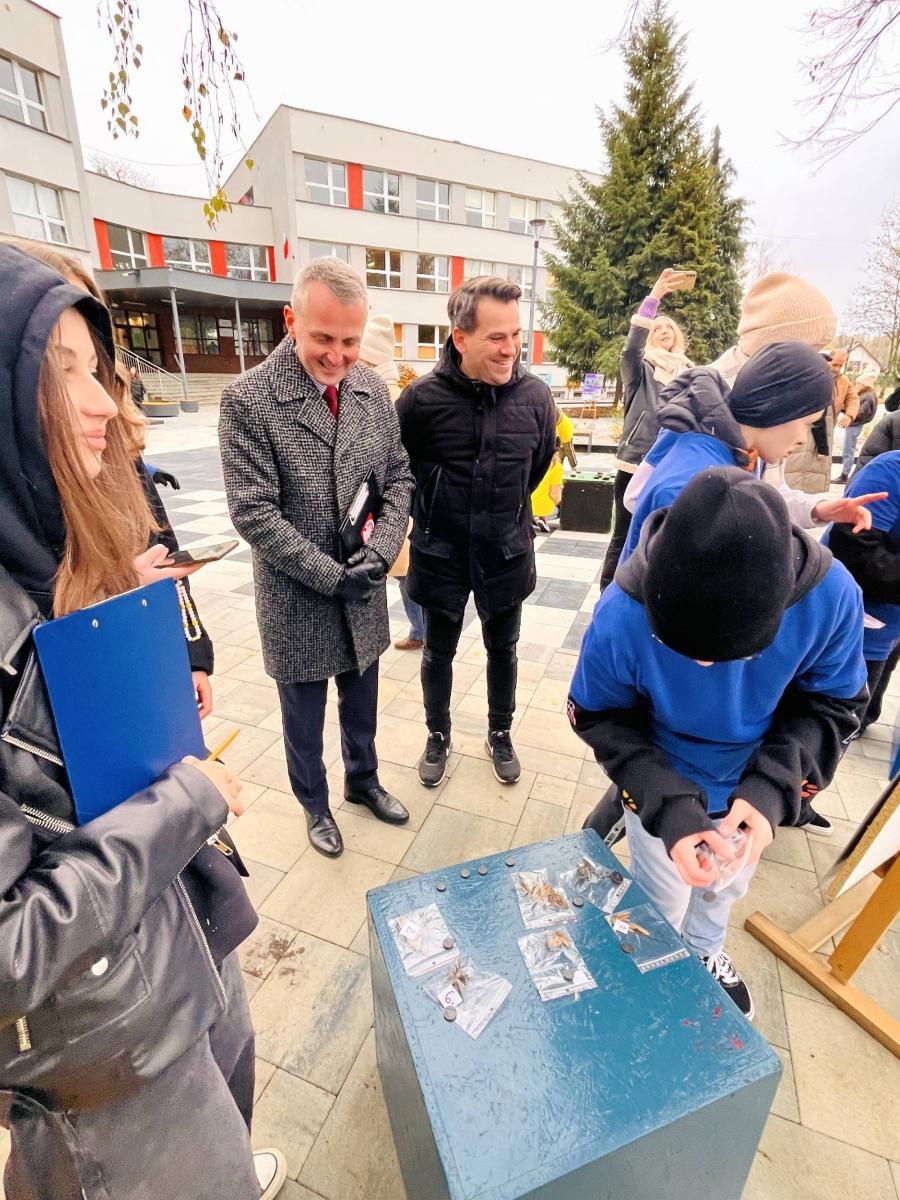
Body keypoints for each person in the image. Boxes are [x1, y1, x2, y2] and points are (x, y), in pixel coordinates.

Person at [0, 244, 286, 1200]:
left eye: (99, 367)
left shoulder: (58, 534)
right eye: (62, 373)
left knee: (232, 1101)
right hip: (104, 1038)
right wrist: (186, 801)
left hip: (180, 927)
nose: (107, 404)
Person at [569, 468, 867, 1019]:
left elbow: (833, 705)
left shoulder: (831, 597)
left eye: (732, 653)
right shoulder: (622, 612)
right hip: (662, 771)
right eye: (680, 646)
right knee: (659, 892)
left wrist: (774, 789)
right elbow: (598, 713)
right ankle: (649, 966)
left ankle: (706, 952)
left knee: (726, 886)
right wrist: (667, 803)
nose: (703, 666)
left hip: (756, 773)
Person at [219, 260, 413, 858]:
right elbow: (253, 514)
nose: (338, 355)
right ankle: (314, 803)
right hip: (297, 596)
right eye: (323, 338)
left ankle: (363, 781)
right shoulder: (249, 399)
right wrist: (334, 577)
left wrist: (379, 556)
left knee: (362, 704)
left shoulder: (371, 389)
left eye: (350, 341)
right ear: (291, 321)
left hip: (365, 586)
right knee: (303, 721)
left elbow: (399, 477)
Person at [396, 276, 556, 788]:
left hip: (505, 552)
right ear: (460, 338)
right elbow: (400, 472)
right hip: (439, 553)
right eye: (496, 337)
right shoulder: (420, 400)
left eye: (516, 335)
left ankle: (500, 732)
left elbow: (534, 467)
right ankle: (437, 735)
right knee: (438, 651)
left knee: (502, 649)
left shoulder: (535, 397)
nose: (510, 348)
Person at [600, 269, 692, 589]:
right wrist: (653, 301)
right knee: (624, 533)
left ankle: (646, 596)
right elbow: (630, 349)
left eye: (670, 326)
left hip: (674, 465)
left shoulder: (689, 372)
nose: (664, 329)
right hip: (636, 460)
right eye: (658, 326)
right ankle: (608, 594)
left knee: (664, 536)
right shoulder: (640, 368)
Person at [356, 314, 424, 652]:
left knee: (402, 572)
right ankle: (421, 629)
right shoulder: (394, 391)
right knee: (402, 572)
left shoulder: (385, 397)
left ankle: (421, 630)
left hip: (392, 504)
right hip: (393, 502)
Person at [825, 449, 900, 733]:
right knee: (836, 724)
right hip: (856, 628)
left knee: (863, 716)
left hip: (890, 630)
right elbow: (854, 552)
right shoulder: (890, 471)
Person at [785, 348, 859, 494]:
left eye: (840, 365)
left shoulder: (843, 381)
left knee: (815, 466)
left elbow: (853, 398)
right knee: (799, 462)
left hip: (827, 427)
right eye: (835, 364)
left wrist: (849, 415)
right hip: (809, 426)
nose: (837, 368)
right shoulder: (813, 377)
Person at [834, 373, 878, 483]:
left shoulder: (867, 396)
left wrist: (848, 413)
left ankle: (845, 474)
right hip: (854, 424)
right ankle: (845, 472)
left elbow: (861, 414)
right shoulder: (866, 394)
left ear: (865, 384)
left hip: (855, 425)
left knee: (848, 449)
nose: (856, 385)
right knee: (848, 449)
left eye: (859, 383)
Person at [532, 438, 564, 534]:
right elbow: (554, 495)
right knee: (559, 511)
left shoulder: (532, 460)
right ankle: (541, 517)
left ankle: (532, 517)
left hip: (525, 505)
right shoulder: (556, 467)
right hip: (542, 506)